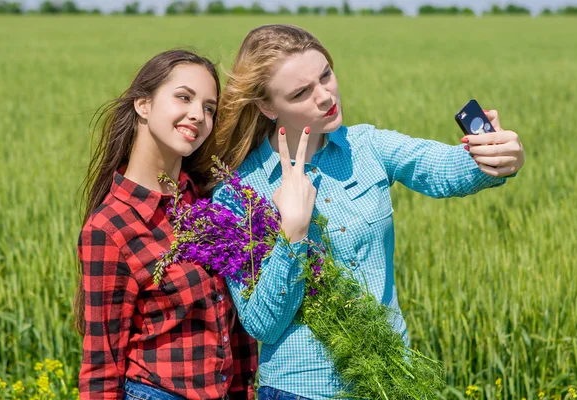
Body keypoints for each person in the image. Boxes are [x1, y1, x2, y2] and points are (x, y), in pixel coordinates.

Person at [203, 25, 524, 400]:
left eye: (326, 75)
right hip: (301, 389)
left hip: (389, 379)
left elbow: (442, 168)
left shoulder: (367, 147)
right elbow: (262, 324)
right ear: (267, 107)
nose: (325, 96)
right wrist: (293, 234)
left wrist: (495, 158)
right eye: (301, 93)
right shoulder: (236, 195)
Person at [75, 49, 257, 400]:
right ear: (143, 105)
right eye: (184, 98)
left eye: (208, 107)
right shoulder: (110, 227)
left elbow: (238, 322)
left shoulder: (208, 203)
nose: (198, 115)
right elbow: (102, 364)